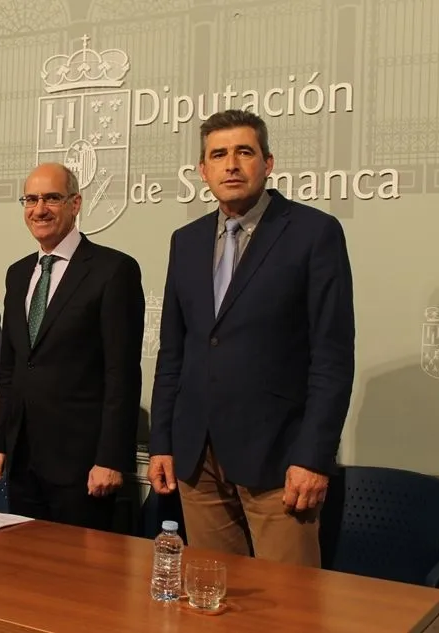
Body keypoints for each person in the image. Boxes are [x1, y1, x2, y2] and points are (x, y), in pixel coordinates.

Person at [148, 110, 355, 566]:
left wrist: (314, 456)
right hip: (197, 459)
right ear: (203, 171)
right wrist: (161, 441)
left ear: (268, 162)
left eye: (245, 152)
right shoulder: (186, 240)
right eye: (218, 155)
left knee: (287, 609)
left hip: (280, 461)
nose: (232, 164)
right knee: (214, 599)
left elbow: (332, 357)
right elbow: (174, 353)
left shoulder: (313, 233)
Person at [0, 163, 145, 531]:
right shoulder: (18, 272)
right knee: (28, 567)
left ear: (75, 203)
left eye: (52, 198)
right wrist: (0, 444)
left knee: (82, 580)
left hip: (84, 465)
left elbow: (121, 374)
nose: (39, 209)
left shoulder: (113, 270)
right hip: (24, 461)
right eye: (31, 199)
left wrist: (110, 459)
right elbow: (12, 368)